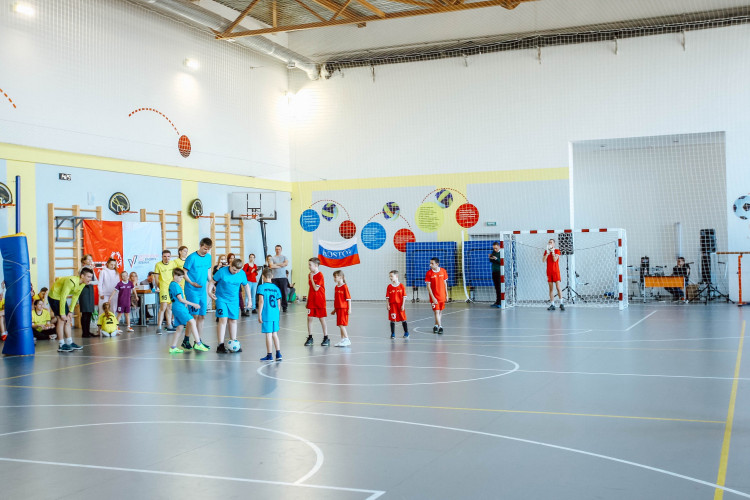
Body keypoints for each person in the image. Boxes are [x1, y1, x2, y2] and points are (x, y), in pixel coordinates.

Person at [208, 258, 251, 353]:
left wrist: (250, 300)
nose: (235, 272)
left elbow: (246, 286)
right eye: (234, 270)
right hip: (221, 299)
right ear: (230, 265)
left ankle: (233, 342)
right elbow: (212, 281)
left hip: (234, 300)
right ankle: (220, 345)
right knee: (223, 320)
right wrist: (209, 292)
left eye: (238, 271)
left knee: (233, 320)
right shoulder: (222, 271)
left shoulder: (241, 273)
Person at [49, 267, 94, 353]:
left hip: (61, 298)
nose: (90, 279)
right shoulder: (71, 281)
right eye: (88, 277)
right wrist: (62, 313)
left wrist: (70, 311)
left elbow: (75, 296)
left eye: (91, 277)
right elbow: (63, 296)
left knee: (68, 319)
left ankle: (69, 342)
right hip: (54, 296)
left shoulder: (83, 283)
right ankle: (61, 345)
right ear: (82, 276)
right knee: (61, 320)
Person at [167, 268, 210, 353]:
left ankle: (173, 347)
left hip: (176, 307)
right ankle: (198, 343)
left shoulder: (172, 284)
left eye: (182, 277)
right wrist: (193, 304)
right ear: (175, 276)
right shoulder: (176, 285)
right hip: (179, 308)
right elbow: (180, 299)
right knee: (192, 321)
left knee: (179, 327)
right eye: (180, 277)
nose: (181, 279)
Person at [182, 238, 213, 350]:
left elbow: (208, 273)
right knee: (193, 315)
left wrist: (212, 283)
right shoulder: (191, 258)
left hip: (202, 290)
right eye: (205, 248)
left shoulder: (208, 257)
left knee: (202, 316)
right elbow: (184, 273)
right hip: (192, 290)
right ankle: (186, 340)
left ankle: (198, 341)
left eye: (208, 249)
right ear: (200, 246)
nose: (206, 251)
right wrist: (191, 283)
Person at [257, 268, 282, 361]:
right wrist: (277, 312)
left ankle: (269, 355)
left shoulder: (261, 287)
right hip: (275, 314)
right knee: (275, 334)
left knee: (268, 334)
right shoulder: (276, 288)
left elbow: (261, 301)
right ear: (272, 276)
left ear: (263, 276)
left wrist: (259, 314)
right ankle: (278, 354)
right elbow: (279, 303)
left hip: (267, 314)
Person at [304, 257, 329, 346]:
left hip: (319, 301)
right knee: (309, 318)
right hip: (311, 300)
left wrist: (311, 278)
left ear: (316, 265)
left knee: (321, 319)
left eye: (310, 265)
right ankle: (310, 337)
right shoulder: (310, 275)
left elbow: (315, 288)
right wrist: (308, 300)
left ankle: (326, 337)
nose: (309, 266)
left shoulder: (320, 275)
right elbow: (311, 288)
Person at [154, 249, 177, 334]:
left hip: (171, 288)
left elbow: (175, 275)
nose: (167, 258)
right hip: (163, 288)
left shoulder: (173, 264)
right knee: (163, 307)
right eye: (165, 256)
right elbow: (156, 278)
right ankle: (159, 327)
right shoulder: (158, 265)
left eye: (168, 256)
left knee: (169, 307)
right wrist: (160, 286)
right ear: (162, 257)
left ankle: (169, 325)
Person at [425, 257, 449, 334]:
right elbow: (428, 286)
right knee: (436, 312)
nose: (430, 265)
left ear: (437, 264)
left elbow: (445, 284)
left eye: (432, 263)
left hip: (442, 295)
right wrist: (433, 297)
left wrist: (447, 294)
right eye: (430, 263)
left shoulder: (443, 271)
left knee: (440, 312)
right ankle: (440, 327)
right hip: (434, 297)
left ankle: (435, 325)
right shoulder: (429, 273)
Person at [386, 270, 409, 339]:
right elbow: (387, 297)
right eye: (389, 276)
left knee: (403, 318)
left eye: (391, 276)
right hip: (392, 305)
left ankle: (406, 332)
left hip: (400, 305)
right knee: (392, 319)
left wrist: (403, 305)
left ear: (396, 276)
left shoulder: (401, 286)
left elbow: (404, 296)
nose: (390, 278)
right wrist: (388, 304)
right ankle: (392, 333)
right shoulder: (389, 286)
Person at [331, 270, 351, 347]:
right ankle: (342, 340)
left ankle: (347, 339)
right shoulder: (336, 287)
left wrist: (349, 309)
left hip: (343, 308)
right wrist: (334, 309)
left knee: (341, 324)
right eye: (334, 277)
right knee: (340, 324)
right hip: (338, 309)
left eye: (335, 277)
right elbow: (336, 299)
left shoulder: (344, 287)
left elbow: (348, 299)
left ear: (341, 277)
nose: (334, 278)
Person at [79, 254, 97, 337]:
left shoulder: (91, 269)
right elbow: (81, 280)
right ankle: (84, 332)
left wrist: (90, 282)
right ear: (84, 261)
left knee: (89, 312)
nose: (90, 261)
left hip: (90, 291)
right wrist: (88, 282)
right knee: (85, 312)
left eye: (91, 259)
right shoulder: (82, 270)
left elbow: (96, 281)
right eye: (88, 259)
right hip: (84, 291)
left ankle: (88, 331)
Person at [543, 239, 564, 311]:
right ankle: (552, 304)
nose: (549, 243)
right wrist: (547, 253)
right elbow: (543, 260)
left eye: (551, 242)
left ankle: (561, 303)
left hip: (556, 271)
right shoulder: (546, 251)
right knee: (551, 288)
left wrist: (552, 252)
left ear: (554, 244)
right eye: (549, 242)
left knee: (558, 287)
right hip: (549, 272)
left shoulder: (557, 251)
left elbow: (555, 259)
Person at [270, 245, 290, 313]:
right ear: (275, 250)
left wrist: (276, 265)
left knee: (284, 292)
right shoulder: (272, 258)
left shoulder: (284, 257)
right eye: (276, 249)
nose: (277, 250)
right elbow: (271, 266)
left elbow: (286, 264)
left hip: (283, 278)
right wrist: (281, 265)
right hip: (274, 278)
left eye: (279, 249)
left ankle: (284, 307)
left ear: (281, 250)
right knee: (274, 292)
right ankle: (275, 305)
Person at [489, 241, 502, 308]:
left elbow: (502, 262)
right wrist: (490, 258)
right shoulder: (494, 252)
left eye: (496, 248)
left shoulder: (501, 253)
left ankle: (500, 302)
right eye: (494, 248)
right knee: (496, 287)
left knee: (500, 287)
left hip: (500, 272)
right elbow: (491, 261)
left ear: (499, 247)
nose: (495, 249)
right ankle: (497, 302)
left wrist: (496, 258)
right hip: (494, 271)